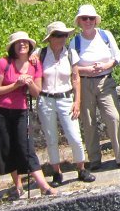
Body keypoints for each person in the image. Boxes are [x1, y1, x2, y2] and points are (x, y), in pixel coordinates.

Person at [0, 32, 55, 198]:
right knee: (7, 147)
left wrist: (30, 83)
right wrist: (16, 84)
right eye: (18, 43)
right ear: (13, 47)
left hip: (21, 110)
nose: (22, 45)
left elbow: (36, 93)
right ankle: (18, 186)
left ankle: (43, 186)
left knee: (26, 147)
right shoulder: (4, 63)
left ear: (29, 45)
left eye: (25, 42)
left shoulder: (35, 64)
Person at [72, 4, 120, 170]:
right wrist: (87, 70)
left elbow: (117, 56)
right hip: (84, 83)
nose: (88, 21)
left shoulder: (105, 35)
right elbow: (72, 66)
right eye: (84, 18)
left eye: (91, 18)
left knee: (114, 117)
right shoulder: (75, 41)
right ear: (79, 21)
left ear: (95, 20)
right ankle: (94, 159)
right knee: (88, 121)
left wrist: (106, 66)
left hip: (105, 81)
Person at [34, 21, 95, 185]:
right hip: (46, 99)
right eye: (58, 35)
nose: (62, 38)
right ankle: (56, 172)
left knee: (74, 136)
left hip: (65, 98)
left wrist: (77, 101)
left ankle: (81, 168)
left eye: (64, 35)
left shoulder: (70, 53)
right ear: (50, 38)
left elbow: (76, 78)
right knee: (51, 138)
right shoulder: (40, 54)